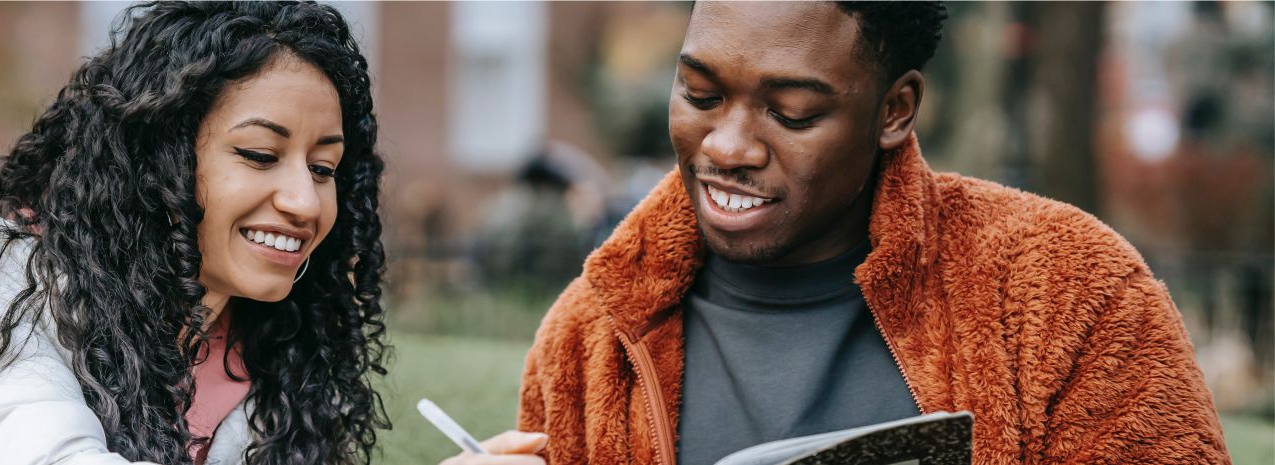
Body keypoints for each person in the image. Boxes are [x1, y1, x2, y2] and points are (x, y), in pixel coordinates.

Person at [447, 2, 1230, 464]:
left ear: (895, 110)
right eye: (698, 92)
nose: (727, 146)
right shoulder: (590, 337)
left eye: (792, 112)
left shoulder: (1070, 292)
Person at [0, 2, 388, 464]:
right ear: (157, 159)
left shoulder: (271, 348)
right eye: (260, 154)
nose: (304, 201)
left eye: (323, 168)